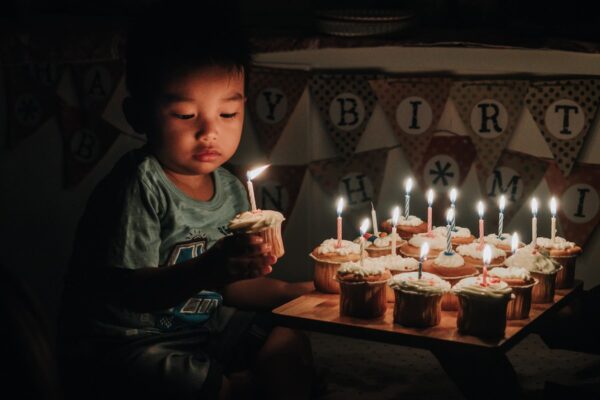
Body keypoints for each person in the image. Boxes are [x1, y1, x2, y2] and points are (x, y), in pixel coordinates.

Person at [58, 3, 316, 399]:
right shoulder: (140, 185)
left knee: (287, 331)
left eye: (228, 113)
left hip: (202, 331)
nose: (209, 132)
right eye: (184, 115)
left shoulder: (230, 188)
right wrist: (210, 268)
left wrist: (291, 291)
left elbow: (231, 290)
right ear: (138, 114)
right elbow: (133, 292)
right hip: (130, 343)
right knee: (205, 387)